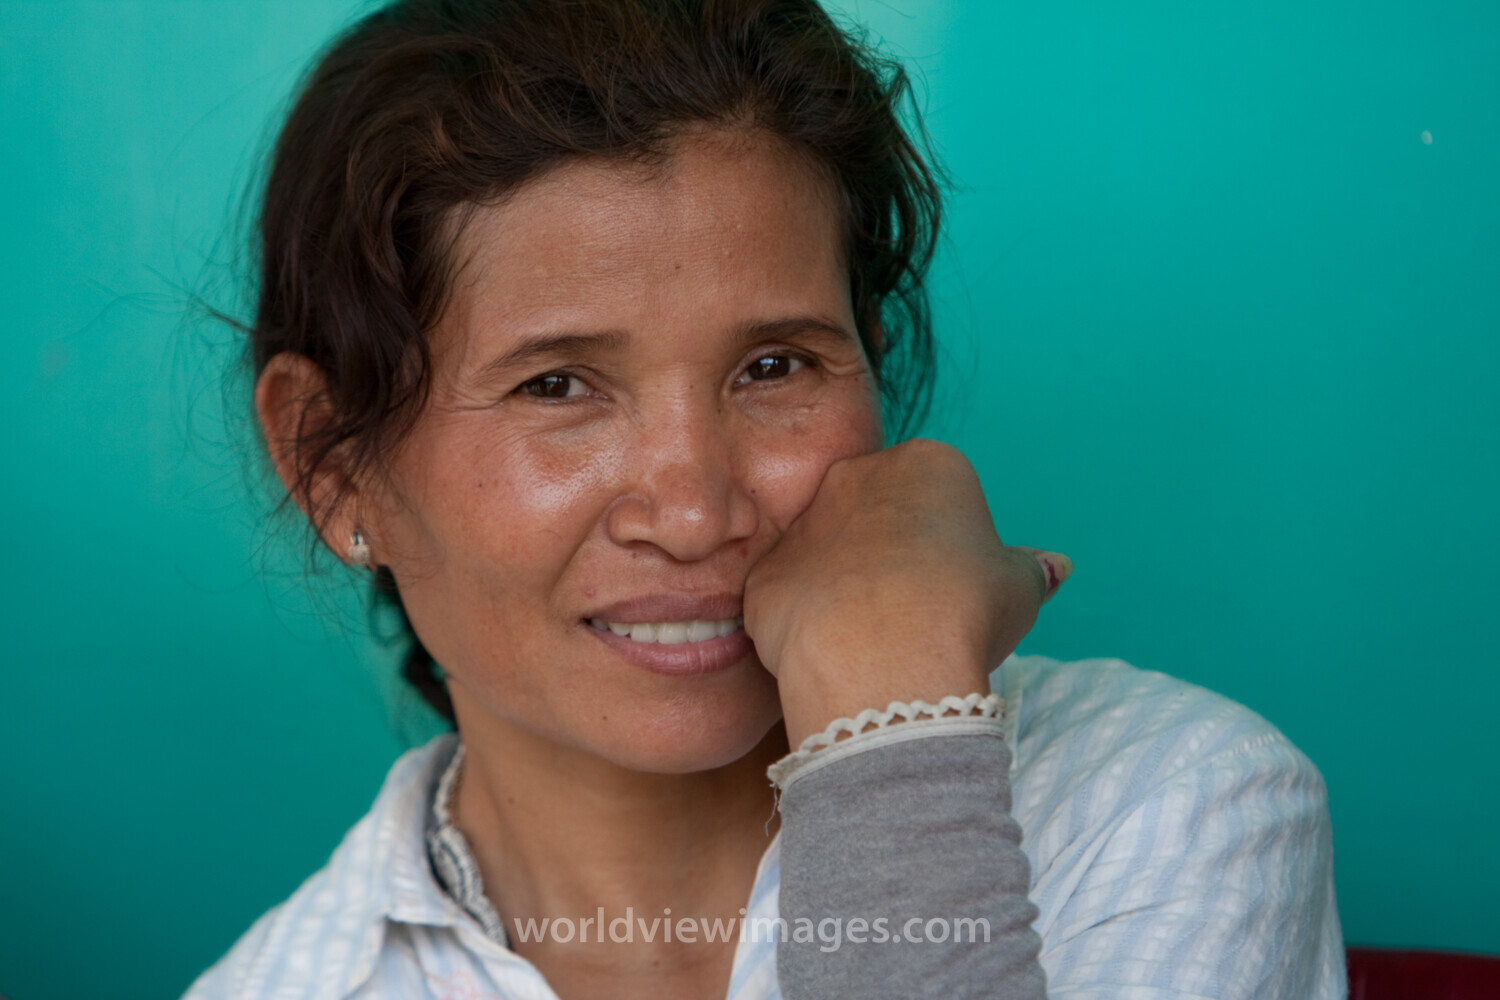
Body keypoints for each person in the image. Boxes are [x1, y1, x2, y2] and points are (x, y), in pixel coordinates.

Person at [184, 1, 1345, 997]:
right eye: (556, 385)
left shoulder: (1163, 808)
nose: (695, 514)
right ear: (333, 465)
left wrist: (888, 723)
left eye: (775, 367)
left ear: (872, 368)